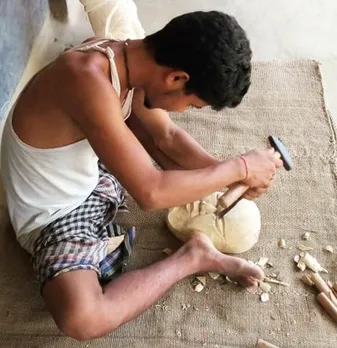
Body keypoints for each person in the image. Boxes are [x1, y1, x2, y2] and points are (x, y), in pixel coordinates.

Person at [1, 11, 283, 340]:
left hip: (90, 177)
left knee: (161, 151)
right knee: (84, 319)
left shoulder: (129, 62)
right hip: (52, 213)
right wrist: (241, 167)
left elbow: (166, 139)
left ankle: (193, 235)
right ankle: (192, 258)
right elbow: (150, 193)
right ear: (176, 78)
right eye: (192, 105)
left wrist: (231, 180)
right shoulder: (85, 78)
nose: (184, 112)